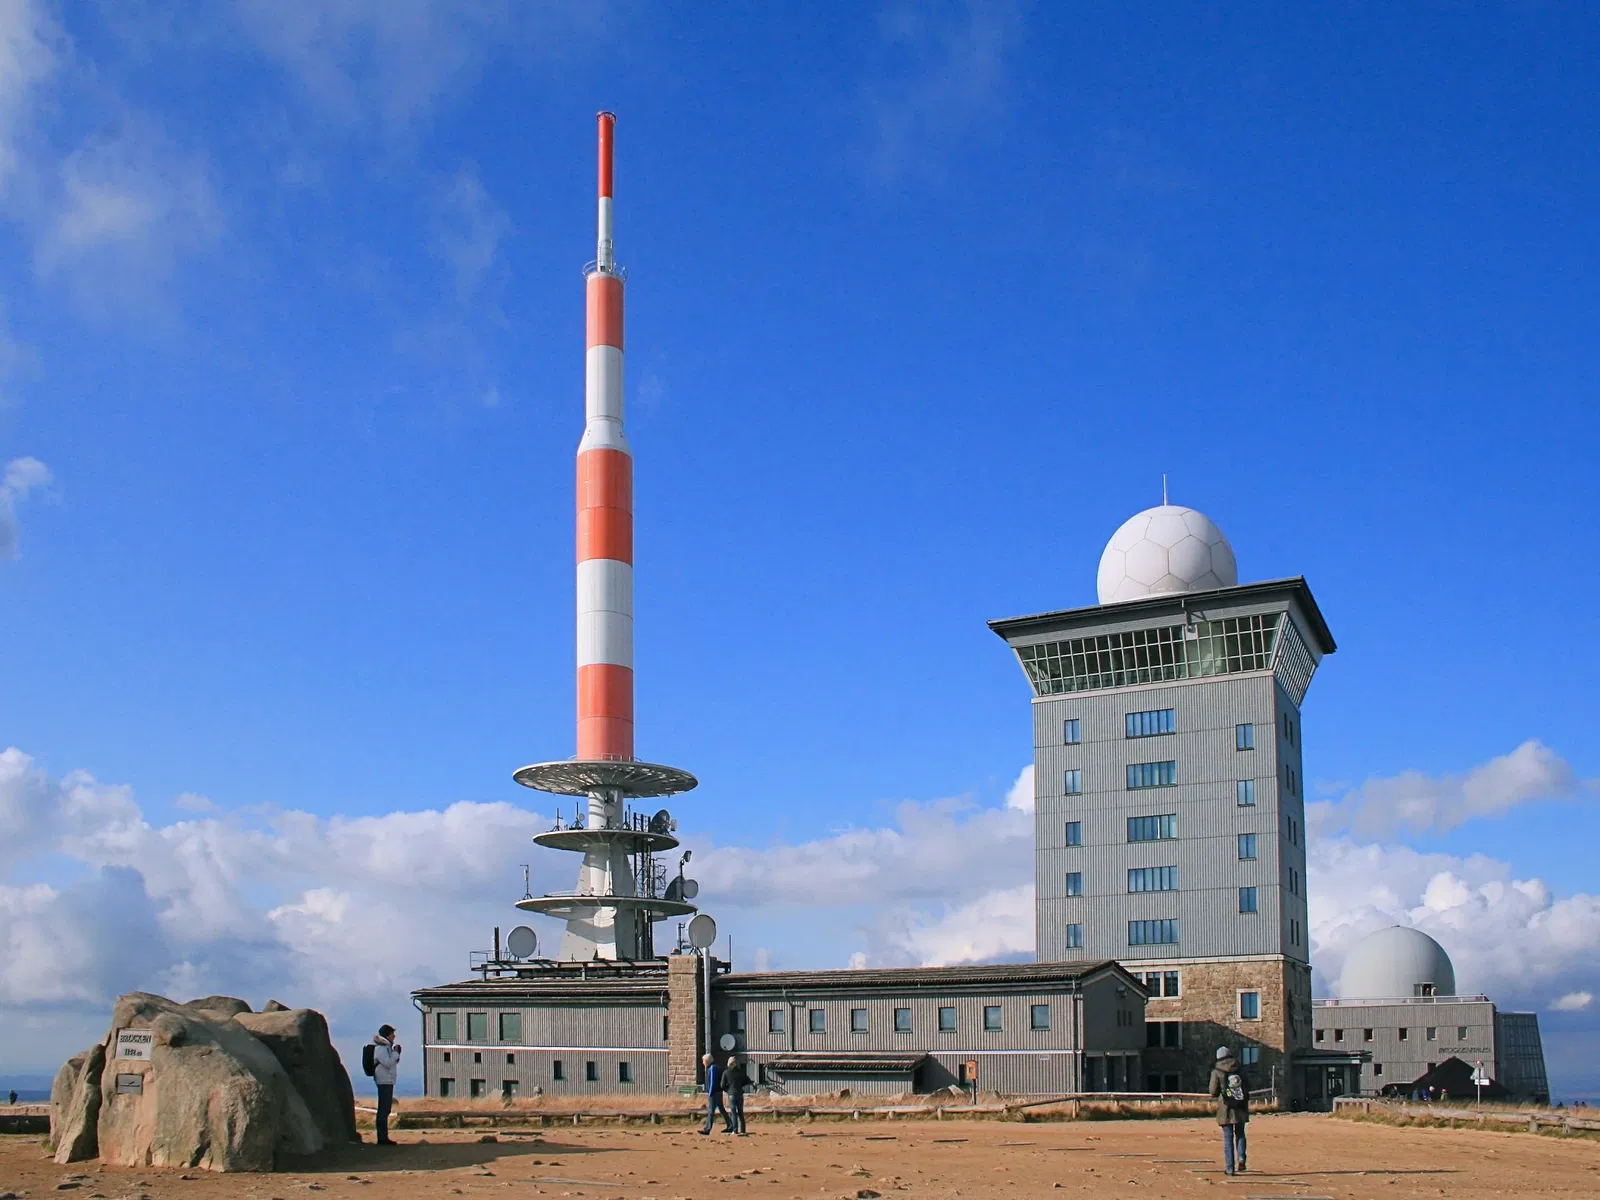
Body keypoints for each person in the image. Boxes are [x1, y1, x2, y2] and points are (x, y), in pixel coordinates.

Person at [1207, 1046, 1249, 1176]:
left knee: (1228, 1138)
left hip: (1226, 1107)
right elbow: (1248, 1085)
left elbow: (1213, 1091)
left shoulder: (1217, 1071)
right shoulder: (1240, 1068)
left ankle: (1230, 1168)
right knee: (1240, 1133)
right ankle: (1241, 1158)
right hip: (1241, 1105)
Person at [371, 1024, 402, 1145]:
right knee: (384, 1109)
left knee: (386, 1108)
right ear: (387, 1035)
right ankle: (382, 1138)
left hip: (387, 1080)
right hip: (384, 1080)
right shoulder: (381, 1048)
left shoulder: (386, 1047)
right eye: (392, 1034)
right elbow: (388, 1063)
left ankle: (383, 1136)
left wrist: (395, 1053)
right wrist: (396, 1053)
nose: (394, 1036)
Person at [698, 1053, 735, 1135]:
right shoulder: (715, 1067)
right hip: (718, 1091)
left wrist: (710, 1093)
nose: (703, 1062)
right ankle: (730, 1125)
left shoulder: (712, 1068)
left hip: (714, 1092)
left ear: (707, 1061)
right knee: (721, 1109)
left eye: (703, 1060)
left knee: (711, 1111)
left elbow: (712, 1082)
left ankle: (707, 1129)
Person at [725, 1056, 750, 1135]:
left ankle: (735, 1130)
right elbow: (747, 1080)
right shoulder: (740, 1072)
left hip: (731, 1094)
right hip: (739, 1093)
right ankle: (743, 1130)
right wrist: (740, 1085)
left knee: (733, 1112)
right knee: (740, 1112)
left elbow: (722, 1084)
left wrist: (728, 1090)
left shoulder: (726, 1072)